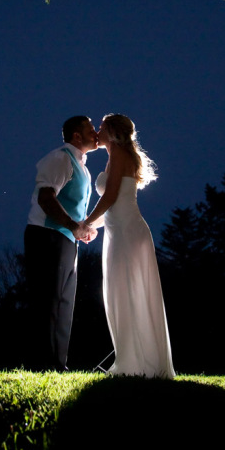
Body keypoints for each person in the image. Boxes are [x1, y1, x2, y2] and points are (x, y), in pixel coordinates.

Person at [82, 114, 175, 379]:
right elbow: (115, 204)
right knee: (121, 292)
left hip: (127, 233)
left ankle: (137, 363)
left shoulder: (120, 155)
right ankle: (132, 358)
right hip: (120, 231)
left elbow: (111, 196)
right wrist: (92, 227)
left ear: (113, 132)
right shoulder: (116, 156)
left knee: (128, 292)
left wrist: (85, 223)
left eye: (101, 128)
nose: (97, 132)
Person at [24, 116, 99, 371]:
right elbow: (46, 197)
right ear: (76, 136)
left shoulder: (83, 168)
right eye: (91, 129)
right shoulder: (60, 158)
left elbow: (74, 207)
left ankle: (58, 364)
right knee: (48, 300)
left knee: (65, 302)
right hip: (46, 236)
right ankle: (41, 364)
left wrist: (83, 228)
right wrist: (73, 226)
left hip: (66, 240)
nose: (96, 133)